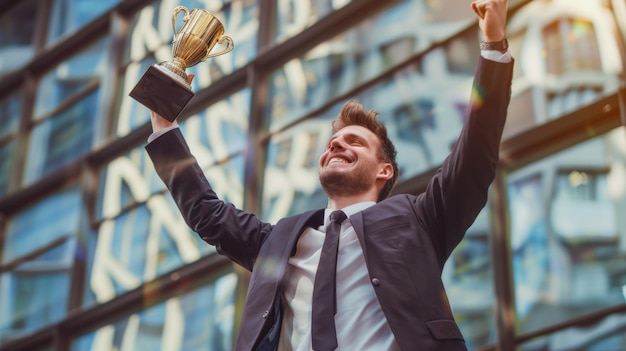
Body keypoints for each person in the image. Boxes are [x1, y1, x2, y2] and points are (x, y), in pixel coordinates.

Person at [145, 1, 513, 350]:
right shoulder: (278, 242)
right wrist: (164, 126)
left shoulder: (418, 220)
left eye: (354, 142)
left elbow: (475, 156)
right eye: (332, 141)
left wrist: (493, 47)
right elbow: (208, 214)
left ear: (384, 171)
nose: (336, 145)